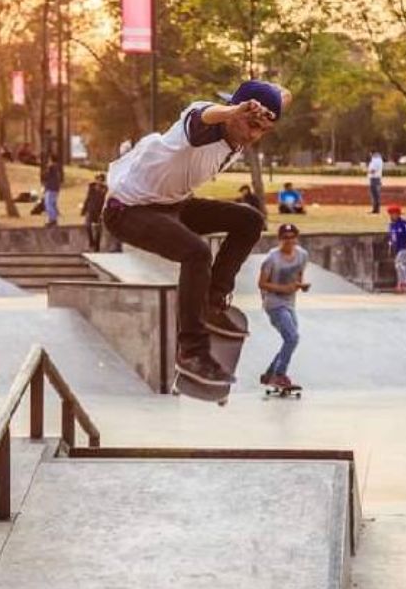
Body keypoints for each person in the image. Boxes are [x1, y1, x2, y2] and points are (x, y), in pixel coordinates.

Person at [103, 80, 290, 386]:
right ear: (234, 111)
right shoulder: (200, 126)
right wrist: (234, 109)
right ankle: (191, 350)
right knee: (196, 252)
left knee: (250, 221)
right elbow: (206, 114)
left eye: (262, 131)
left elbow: (283, 96)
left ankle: (212, 302)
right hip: (127, 210)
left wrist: (274, 102)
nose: (254, 135)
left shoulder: (242, 133)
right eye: (250, 124)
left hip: (172, 205)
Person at [258, 223, 310, 390]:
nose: (289, 241)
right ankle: (279, 375)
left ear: (296, 238)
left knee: (290, 340)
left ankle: (269, 374)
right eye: (285, 238)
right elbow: (261, 283)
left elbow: (299, 275)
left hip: (290, 303)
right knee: (292, 338)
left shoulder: (302, 255)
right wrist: (283, 289)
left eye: (292, 238)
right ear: (279, 239)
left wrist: (301, 285)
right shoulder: (272, 258)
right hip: (273, 304)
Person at [386, 204, 406, 293]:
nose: (392, 216)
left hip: (405, 247)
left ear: (398, 214)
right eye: (390, 214)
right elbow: (391, 238)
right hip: (397, 248)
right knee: (398, 265)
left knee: (400, 263)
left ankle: (405, 283)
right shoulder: (391, 225)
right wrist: (390, 247)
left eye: (394, 213)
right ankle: (400, 283)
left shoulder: (404, 224)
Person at [81, 173, 108, 252]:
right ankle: (91, 242)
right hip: (91, 209)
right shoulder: (91, 187)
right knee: (87, 225)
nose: (98, 182)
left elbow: (105, 201)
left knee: (98, 228)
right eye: (97, 180)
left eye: (100, 180)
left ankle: (97, 245)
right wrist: (84, 209)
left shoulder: (105, 189)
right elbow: (88, 198)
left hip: (99, 211)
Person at [41, 154, 61, 227]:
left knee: (48, 204)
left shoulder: (51, 167)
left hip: (51, 188)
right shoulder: (57, 168)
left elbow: (46, 176)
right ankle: (52, 219)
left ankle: (53, 220)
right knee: (52, 204)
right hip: (56, 189)